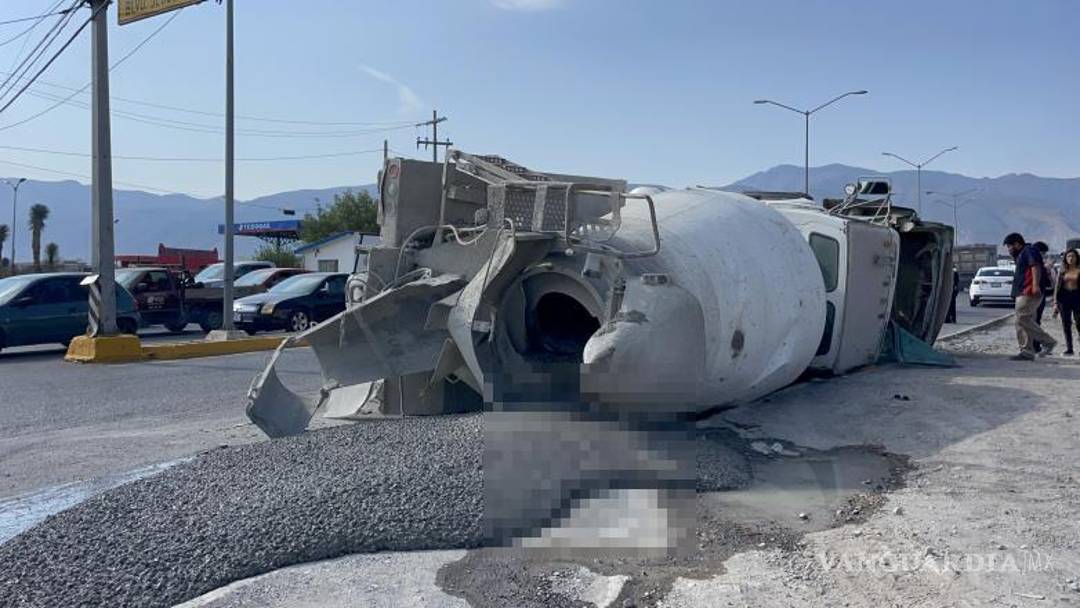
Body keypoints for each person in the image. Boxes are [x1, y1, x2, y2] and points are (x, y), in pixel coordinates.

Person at [1003, 233, 1056, 360]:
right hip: (1022, 292)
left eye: (1010, 246)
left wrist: (1035, 285)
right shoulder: (1021, 255)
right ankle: (1027, 351)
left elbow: (1035, 267)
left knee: (1022, 318)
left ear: (1017, 244)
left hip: (1029, 292)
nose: (1009, 249)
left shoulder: (1029, 251)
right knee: (1021, 321)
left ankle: (1048, 341)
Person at [1052, 248, 1080, 355]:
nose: (1071, 258)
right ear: (1065, 258)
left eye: (1073, 256)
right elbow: (1057, 287)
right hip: (1064, 299)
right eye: (1068, 256)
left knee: (1079, 324)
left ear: (1077, 258)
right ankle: (1069, 349)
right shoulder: (1062, 271)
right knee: (1066, 324)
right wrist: (1055, 303)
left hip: (1077, 298)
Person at [1032, 241, 1053, 353]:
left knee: (1036, 321)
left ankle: (1035, 345)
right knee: (1033, 321)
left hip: (1041, 296)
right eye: (1042, 253)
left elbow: (1049, 284)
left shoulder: (1040, 264)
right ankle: (1034, 345)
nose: (1043, 255)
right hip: (1034, 296)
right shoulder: (1034, 264)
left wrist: (1048, 270)